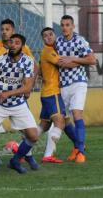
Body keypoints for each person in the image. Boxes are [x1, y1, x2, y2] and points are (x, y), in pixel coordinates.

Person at [0, 34, 38, 174]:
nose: (14, 45)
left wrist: (8, 94)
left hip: (17, 103)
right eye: (11, 42)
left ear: (22, 46)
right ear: (8, 44)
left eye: (17, 42)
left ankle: (15, 161)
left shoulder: (28, 61)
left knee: (33, 136)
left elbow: (27, 88)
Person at [54, 15, 96, 163]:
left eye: (67, 25)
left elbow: (92, 60)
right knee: (63, 120)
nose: (65, 27)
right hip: (63, 85)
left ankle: (81, 153)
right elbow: (56, 61)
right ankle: (77, 146)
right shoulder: (57, 42)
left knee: (77, 114)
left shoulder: (80, 40)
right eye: (62, 25)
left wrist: (73, 60)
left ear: (73, 26)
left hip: (78, 82)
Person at [38, 27, 79, 163]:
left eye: (51, 34)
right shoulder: (49, 51)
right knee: (60, 122)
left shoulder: (51, 50)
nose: (49, 37)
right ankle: (48, 155)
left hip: (47, 93)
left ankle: (21, 149)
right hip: (52, 93)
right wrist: (82, 62)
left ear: (55, 35)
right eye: (45, 36)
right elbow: (63, 63)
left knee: (46, 125)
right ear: (43, 39)